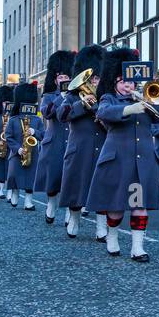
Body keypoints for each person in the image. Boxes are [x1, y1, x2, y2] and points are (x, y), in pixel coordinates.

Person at [86, 47, 159, 262]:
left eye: (131, 82)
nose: (128, 85)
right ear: (115, 82)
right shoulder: (109, 98)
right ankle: (112, 236)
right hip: (118, 162)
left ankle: (138, 248)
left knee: (138, 206)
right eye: (123, 81)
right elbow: (103, 113)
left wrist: (149, 100)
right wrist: (130, 109)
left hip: (140, 165)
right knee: (116, 209)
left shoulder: (146, 98)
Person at [58, 45, 107, 239]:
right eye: (92, 78)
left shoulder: (106, 96)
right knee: (76, 188)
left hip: (103, 146)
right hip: (79, 147)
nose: (94, 81)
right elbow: (62, 115)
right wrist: (82, 104)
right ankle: (75, 218)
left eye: (97, 77)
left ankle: (101, 227)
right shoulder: (72, 95)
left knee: (103, 188)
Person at [35, 50, 75, 224]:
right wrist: (61, 97)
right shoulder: (48, 96)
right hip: (55, 140)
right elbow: (47, 112)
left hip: (73, 140)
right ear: (54, 79)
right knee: (53, 178)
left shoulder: (77, 94)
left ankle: (69, 211)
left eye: (67, 76)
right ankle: (51, 203)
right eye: (60, 77)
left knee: (71, 178)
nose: (64, 80)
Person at [4, 82, 43, 211]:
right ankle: (14, 194)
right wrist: (18, 148)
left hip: (33, 153)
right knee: (14, 176)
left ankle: (28, 201)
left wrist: (34, 132)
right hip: (17, 153)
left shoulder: (37, 120)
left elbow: (43, 135)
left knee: (31, 178)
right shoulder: (14, 119)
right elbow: (8, 136)